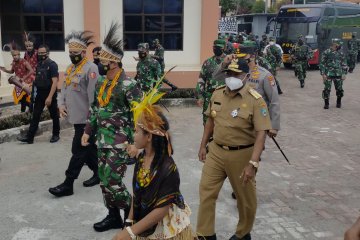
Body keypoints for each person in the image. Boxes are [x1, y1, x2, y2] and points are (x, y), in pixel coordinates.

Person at [197, 59, 272, 240]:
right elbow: (210, 122)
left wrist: (253, 163)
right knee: (206, 191)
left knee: (245, 200)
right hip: (216, 151)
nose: (232, 78)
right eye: (229, 74)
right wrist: (202, 145)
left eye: (237, 74)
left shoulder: (256, 100)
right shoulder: (217, 94)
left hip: (242, 155)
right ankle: (205, 234)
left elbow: (262, 133)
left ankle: (242, 233)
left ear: (246, 76)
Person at [112, 78, 196, 240]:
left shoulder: (168, 169)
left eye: (136, 131)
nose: (133, 135)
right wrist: (129, 221)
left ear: (149, 136)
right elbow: (137, 194)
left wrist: (130, 232)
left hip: (164, 230)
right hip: (144, 222)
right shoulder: (142, 159)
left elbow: (161, 211)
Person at [81, 22, 142, 232]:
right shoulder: (100, 83)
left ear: (114, 61)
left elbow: (140, 115)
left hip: (120, 142)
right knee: (104, 182)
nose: (99, 58)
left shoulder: (129, 85)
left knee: (113, 181)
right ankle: (113, 216)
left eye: (103, 56)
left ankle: (132, 214)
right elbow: (95, 109)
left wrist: (136, 143)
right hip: (102, 140)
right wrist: (87, 131)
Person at [48, 31, 100, 197]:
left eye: (75, 53)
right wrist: (60, 104)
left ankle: (68, 184)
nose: (72, 56)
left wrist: (91, 122)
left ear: (84, 53)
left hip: (87, 120)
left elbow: (94, 98)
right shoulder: (70, 69)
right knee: (88, 149)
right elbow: (63, 90)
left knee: (78, 149)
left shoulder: (91, 69)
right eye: (70, 53)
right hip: (75, 118)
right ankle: (99, 173)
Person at [17, 44, 60, 144]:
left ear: (47, 53)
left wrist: (49, 97)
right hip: (40, 94)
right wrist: (29, 86)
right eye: (39, 53)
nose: (41, 54)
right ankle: (29, 137)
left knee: (54, 115)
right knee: (35, 116)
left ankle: (56, 134)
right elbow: (37, 80)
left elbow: (55, 82)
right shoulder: (39, 64)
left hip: (50, 93)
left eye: (43, 53)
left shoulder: (52, 65)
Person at [196, 39, 226, 126]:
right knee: (207, 121)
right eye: (214, 47)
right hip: (209, 97)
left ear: (224, 48)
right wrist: (200, 96)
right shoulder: (207, 62)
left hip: (224, 97)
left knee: (222, 122)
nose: (215, 49)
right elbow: (201, 80)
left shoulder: (229, 62)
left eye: (218, 48)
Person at [0, 42, 34, 112]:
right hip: (17, 83)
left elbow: (31, 71)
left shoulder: (24, 62)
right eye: (13, 56)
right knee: (21, 99)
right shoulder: (14, 63)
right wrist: (5, 70)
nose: (15, 56)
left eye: (16, 55)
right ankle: (30, 108)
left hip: (26, 82)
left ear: (19, 55)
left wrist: (23, 78)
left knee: (23, 98)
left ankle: (25, 111)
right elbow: (12, 71)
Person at [319, 38, 347, 109]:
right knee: (326, 89)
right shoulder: (327, 52)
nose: (339, 45)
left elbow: (344, 64)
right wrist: (323, 74)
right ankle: (326, 103)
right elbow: (322, 64)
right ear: (334, 44)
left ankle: (338, 102)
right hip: (328, 74)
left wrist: (344, 74)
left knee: (339, 89)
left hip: (338, 74)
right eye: (337, 44)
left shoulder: (341, 53)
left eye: (339, 44)